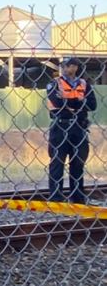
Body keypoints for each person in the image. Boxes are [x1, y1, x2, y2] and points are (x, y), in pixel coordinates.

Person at [47, 58, 97, 201]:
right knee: (57, 162)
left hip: (79, 127)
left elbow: (93, 105)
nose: (68, 68)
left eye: (71, 65)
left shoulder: (84, 84)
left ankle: (78, 197)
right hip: (60, 126)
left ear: (75, 67)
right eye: (66, 65)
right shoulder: (54, 84)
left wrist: (68, 102)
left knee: (78, 162)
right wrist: (80, 102)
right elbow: (57, 102)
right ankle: (56, 197)